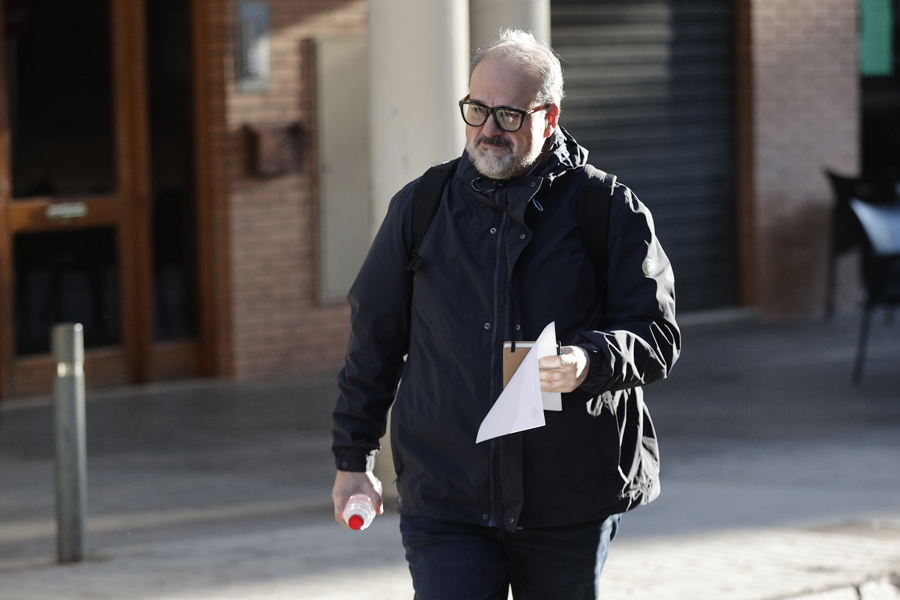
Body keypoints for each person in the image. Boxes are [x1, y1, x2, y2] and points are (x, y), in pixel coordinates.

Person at [332, 28, 680, 600]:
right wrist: (353, 457)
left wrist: (589, 359)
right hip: (446, 495)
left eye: (509, 115)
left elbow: (658, 335)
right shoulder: (422, 205)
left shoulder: (606, 208)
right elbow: (375, 337)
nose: (488, 128)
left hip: (567, 497)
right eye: (477, 110)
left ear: (550, 116)